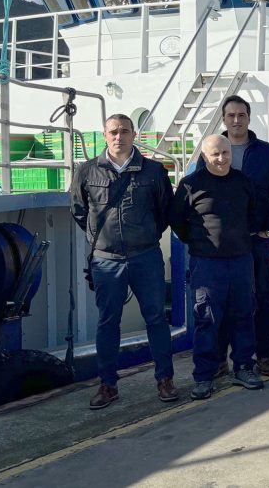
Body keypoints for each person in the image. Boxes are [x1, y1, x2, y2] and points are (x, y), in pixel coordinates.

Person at [70, 114, 177, 410]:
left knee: (156, 318)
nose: (119, 137)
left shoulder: (153, 171)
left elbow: (165, 211)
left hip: (146, 257)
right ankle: (107, 385)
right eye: (113, 132)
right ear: (104, 135)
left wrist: (145, 236)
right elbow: (80, 211)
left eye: (125, 131)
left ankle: (165, 379)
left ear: (133, 134)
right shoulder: (87, 171)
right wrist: (102, 240)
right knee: (108, 322)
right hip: (106, 261)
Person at [171, 135, 264, 400]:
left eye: (225, 153)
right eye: (215, 154)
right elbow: (177, 220)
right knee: (207, 320)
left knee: (244, 315)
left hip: (241, 261)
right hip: (207, 264)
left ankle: (244, 367)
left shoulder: (243, 182)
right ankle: (204, 376)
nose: (221, 159)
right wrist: (199, 242)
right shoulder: (191, 185)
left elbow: (255, 214)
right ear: (204, 156)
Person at [211, 95, 269, 377]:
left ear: (249, 116)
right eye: (230, 115)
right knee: (223, 299)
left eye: (241, 115)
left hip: (256, 238)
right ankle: (220, 357)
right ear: (223, 118)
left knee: (262, 297)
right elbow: (197, 192)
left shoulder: (266, 152)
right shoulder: (212, 149)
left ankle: (265, 354)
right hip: (222, 244)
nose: (236, 120)